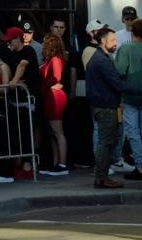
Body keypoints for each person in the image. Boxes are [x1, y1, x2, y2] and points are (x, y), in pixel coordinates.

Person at [112, 9, 142, 179]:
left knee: (133, 133)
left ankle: (139, 167)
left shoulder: (125, 49)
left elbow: (119, 71)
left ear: (132, 31)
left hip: (130, 96)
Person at [81, 24, 127, 189]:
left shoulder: (101, 58)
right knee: (106, 142)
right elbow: (117, 83)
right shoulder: (102, 60)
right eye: (112, 40)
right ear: (102, 41)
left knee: (108, 142)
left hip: (103, 104)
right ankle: (101, 177)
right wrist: (140, 90)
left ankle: (102, 177)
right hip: (105, 106)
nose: (115, 43)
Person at [35, 31, 72, 176]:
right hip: (49, 97)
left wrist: (48, 85)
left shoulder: (55, 60)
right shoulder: (49, 60)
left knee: (58, 131)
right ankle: (56, 163)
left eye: (45, 42)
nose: (42, 44)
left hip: (54, 97)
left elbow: (56, 77)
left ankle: (62, 164)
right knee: (52, 132)